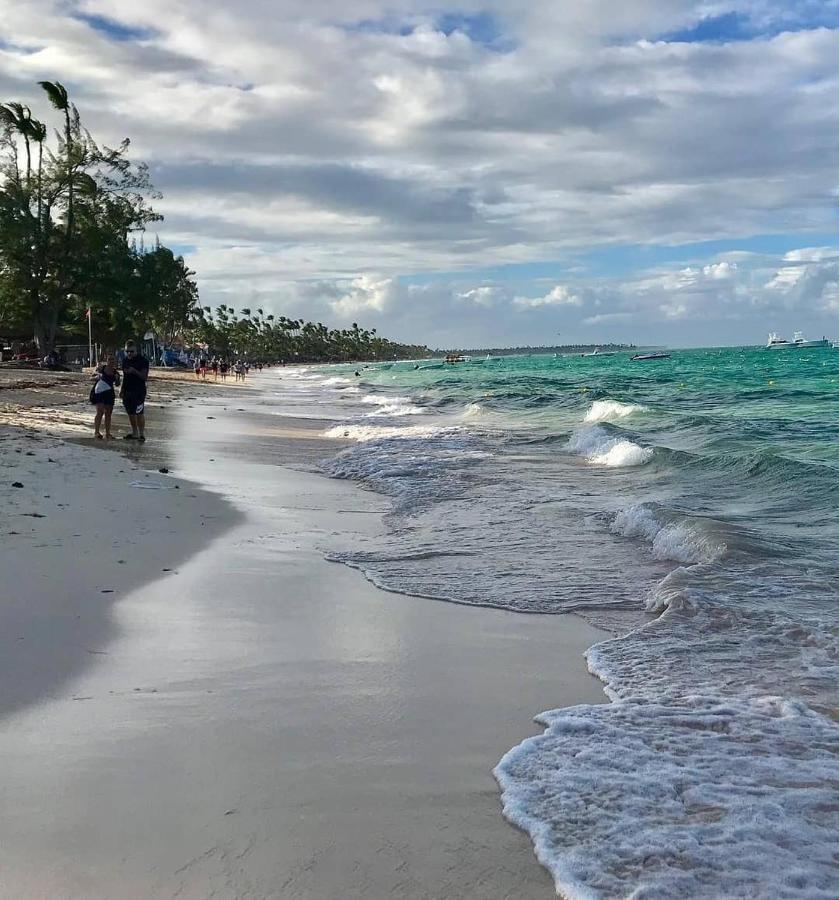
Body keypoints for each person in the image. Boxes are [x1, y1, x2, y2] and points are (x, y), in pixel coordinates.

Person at [120, 340, 149, 442]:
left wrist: (134, 371)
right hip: (128, 390)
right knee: (130, 413)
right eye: (127, 351)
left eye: (131, 351)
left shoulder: (143, 361)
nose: (129, 353)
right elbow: (125, 376)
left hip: (139, 390)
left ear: (136, 350)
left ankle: (141, 434)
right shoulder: (125, 360)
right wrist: (122, 389)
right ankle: (134, 432)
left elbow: (144, 377)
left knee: (139, 412)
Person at [89, 356, 120, 440]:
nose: (111, 361)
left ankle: (108, 433)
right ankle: (96, 432)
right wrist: (97, 376)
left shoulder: (115, 373)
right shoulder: (101, 368)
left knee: (108, 413)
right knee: (100, 411)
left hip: (109, 392)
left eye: (113, 360)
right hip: (99, 391)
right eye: (109, 359)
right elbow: (91, 377)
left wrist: (117, 379)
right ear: (107, 361)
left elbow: (117, 384)